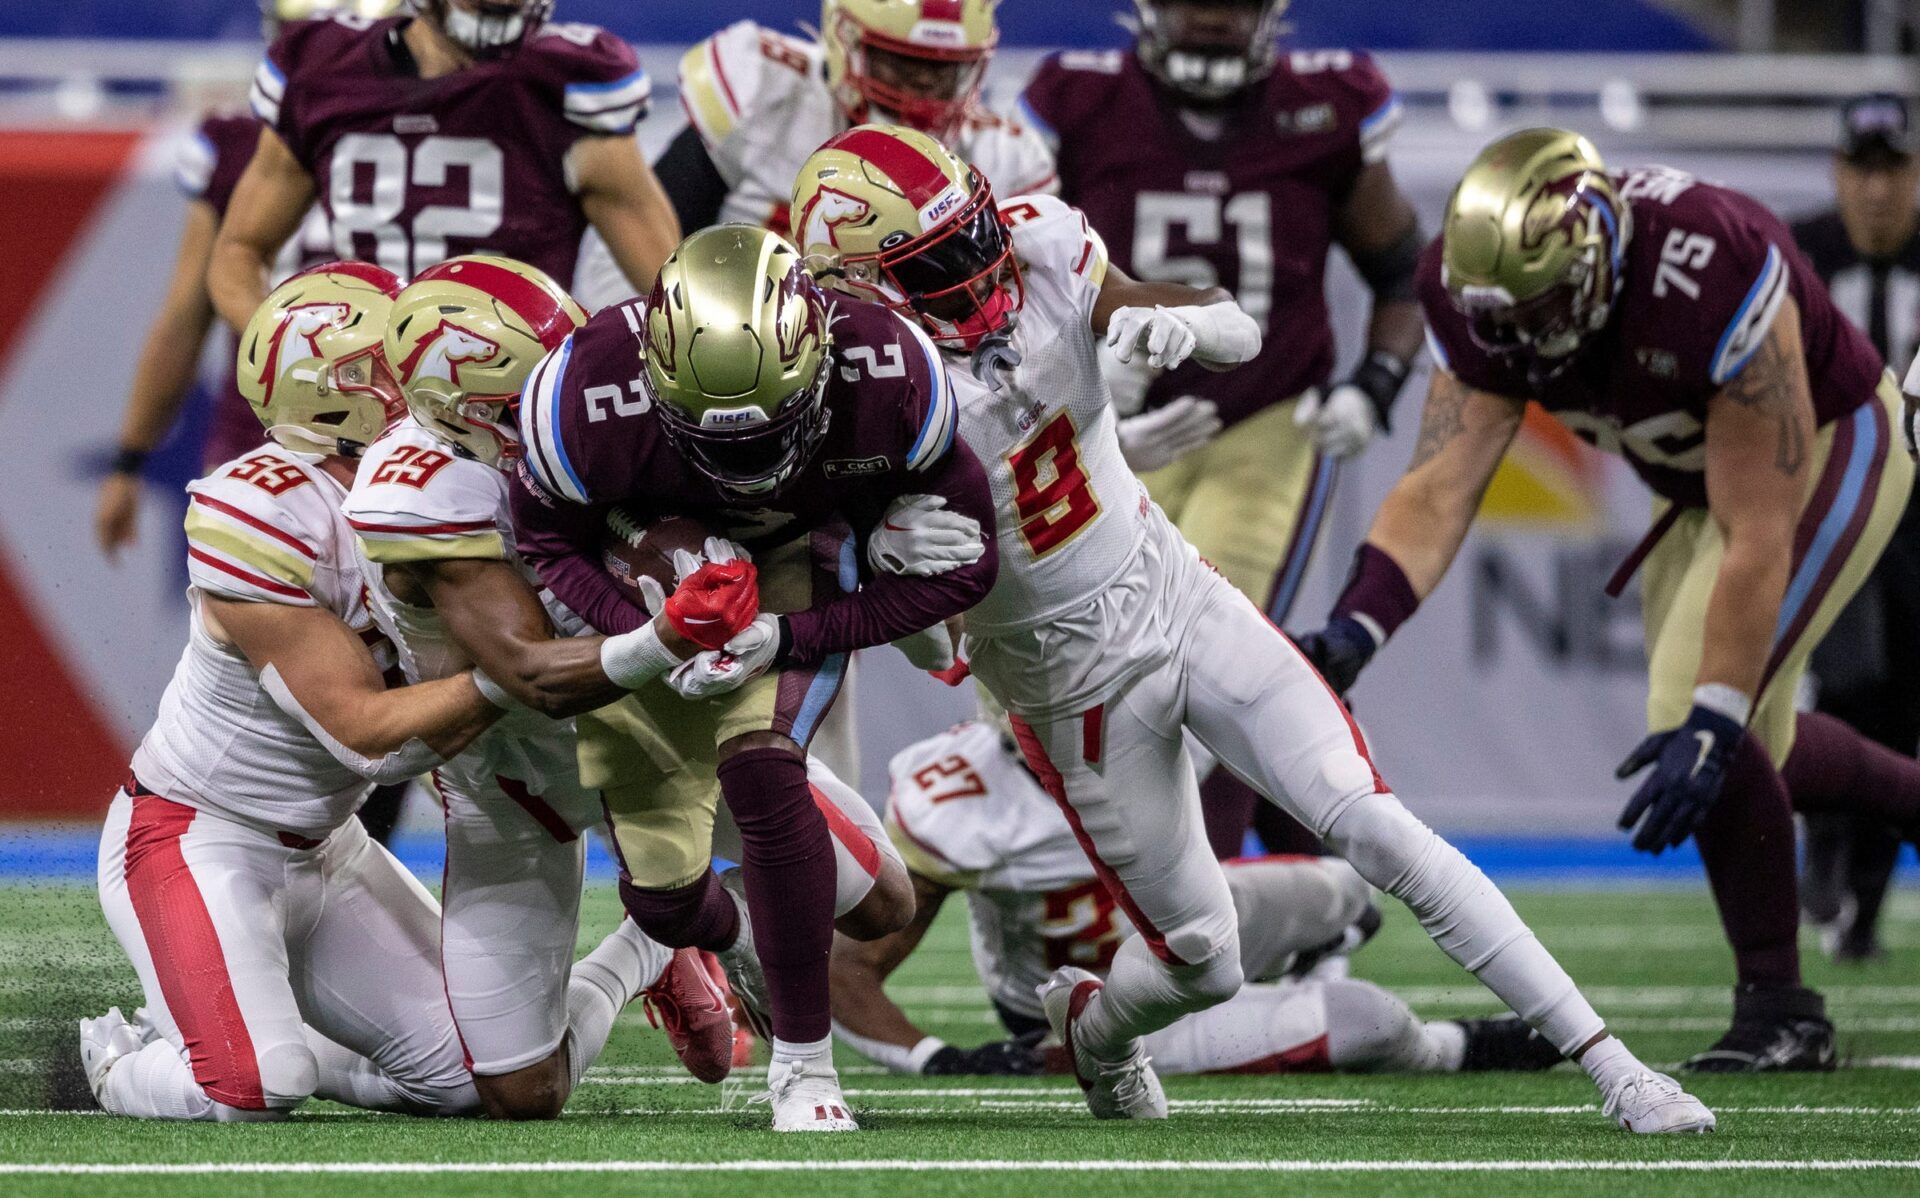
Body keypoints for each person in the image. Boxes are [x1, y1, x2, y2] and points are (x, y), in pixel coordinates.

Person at [789, 124, 1712, 1133]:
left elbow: (1226, 324)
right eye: (940, 262)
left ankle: (1615, 1066)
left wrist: (1184, 326)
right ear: (860, 288)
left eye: (976, 236)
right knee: (1203, 958)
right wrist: (894, 555)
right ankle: (1099, 1033)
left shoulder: (1040, 244)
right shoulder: (851, 397)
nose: (982, 272)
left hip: (1178, 594)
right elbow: (925, 637)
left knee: (1373, 822)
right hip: (1065, 689)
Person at [1297, 128, 1920, 1072]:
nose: (1515, 336)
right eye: (1498, 314)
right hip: (1702, 483)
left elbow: (1758, 526)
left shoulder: (1711, 265)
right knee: (1754, 738)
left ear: (1594, 257)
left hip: (1832, 446)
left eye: (1537, 307)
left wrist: (1715, 717)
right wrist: (1357, 628)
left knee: (1710, 718)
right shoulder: (1480, 297)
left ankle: (1783, 1008)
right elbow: (1439, 486)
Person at [509, 224, 998, 1130]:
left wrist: (793, 628)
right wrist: (649, 635)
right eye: (712, 438)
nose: (745, 467)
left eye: (771, 430)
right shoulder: (583, 387)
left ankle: (804, 1071)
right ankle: (704, 943)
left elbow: (970, 568)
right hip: (646, 566)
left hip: (793, 557)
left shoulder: (887, 364)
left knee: (765, 770)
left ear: (820, 363)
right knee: (663, 894)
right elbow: (544, 540)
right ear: (653, 384)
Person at [79, 264, 508, 1122]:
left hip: (327, 845)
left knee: (474, 1077)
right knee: (251, 1089)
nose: (422, 375)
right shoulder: (266, 511)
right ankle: (123, 1065)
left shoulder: (437, 480)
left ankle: (271, 1030)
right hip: (197, 835)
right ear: (339, 391)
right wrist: (519, 675)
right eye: (394, 359)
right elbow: (365, 734)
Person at [1019, 0, 1424, 860]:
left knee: (1217, 659)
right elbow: (1015, 266)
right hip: (1107, 423)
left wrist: (1375, 386)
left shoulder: (1327, 106)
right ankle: (1315, 873)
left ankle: (1231, 900)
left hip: (1267, 420)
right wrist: (1078, 354)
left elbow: (1401, 272)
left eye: (1230, 2)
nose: (1211, 18)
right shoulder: (1078, 100)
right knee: (1099, 668)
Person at [832, 713, 1565, 1079]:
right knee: (1370, 1020)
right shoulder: (960, 795)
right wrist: (941, 1060)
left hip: (1184, 931)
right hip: (1086, 1005)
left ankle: (1320, 948)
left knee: (1343, 886)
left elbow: (1290, 755)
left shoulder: (1158, 707)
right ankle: (1460, 1046)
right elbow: (845, 971)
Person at [208, 0, 679, 332]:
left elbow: (674, 300)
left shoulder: (564, 87)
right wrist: (286, 350)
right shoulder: (323, 70)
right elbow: (240, 252)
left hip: (507, 413)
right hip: (358, 393)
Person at [1789, 93, 1920, 963]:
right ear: (1839, 174)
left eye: (1893, 170)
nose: (1876, 190)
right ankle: (1823, 853)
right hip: (1830, 510)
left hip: (1918, 526)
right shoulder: (1798, 253)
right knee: (1844, 689)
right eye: (1861, 169)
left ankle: (1864, 901)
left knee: (1901, 705)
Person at [652, 0, 1055, 240]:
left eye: (944, 69)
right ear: (842, 41)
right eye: (902, 61)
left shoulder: (1005, 156)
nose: (921, 83)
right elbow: (657, 226)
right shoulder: (769, 93)